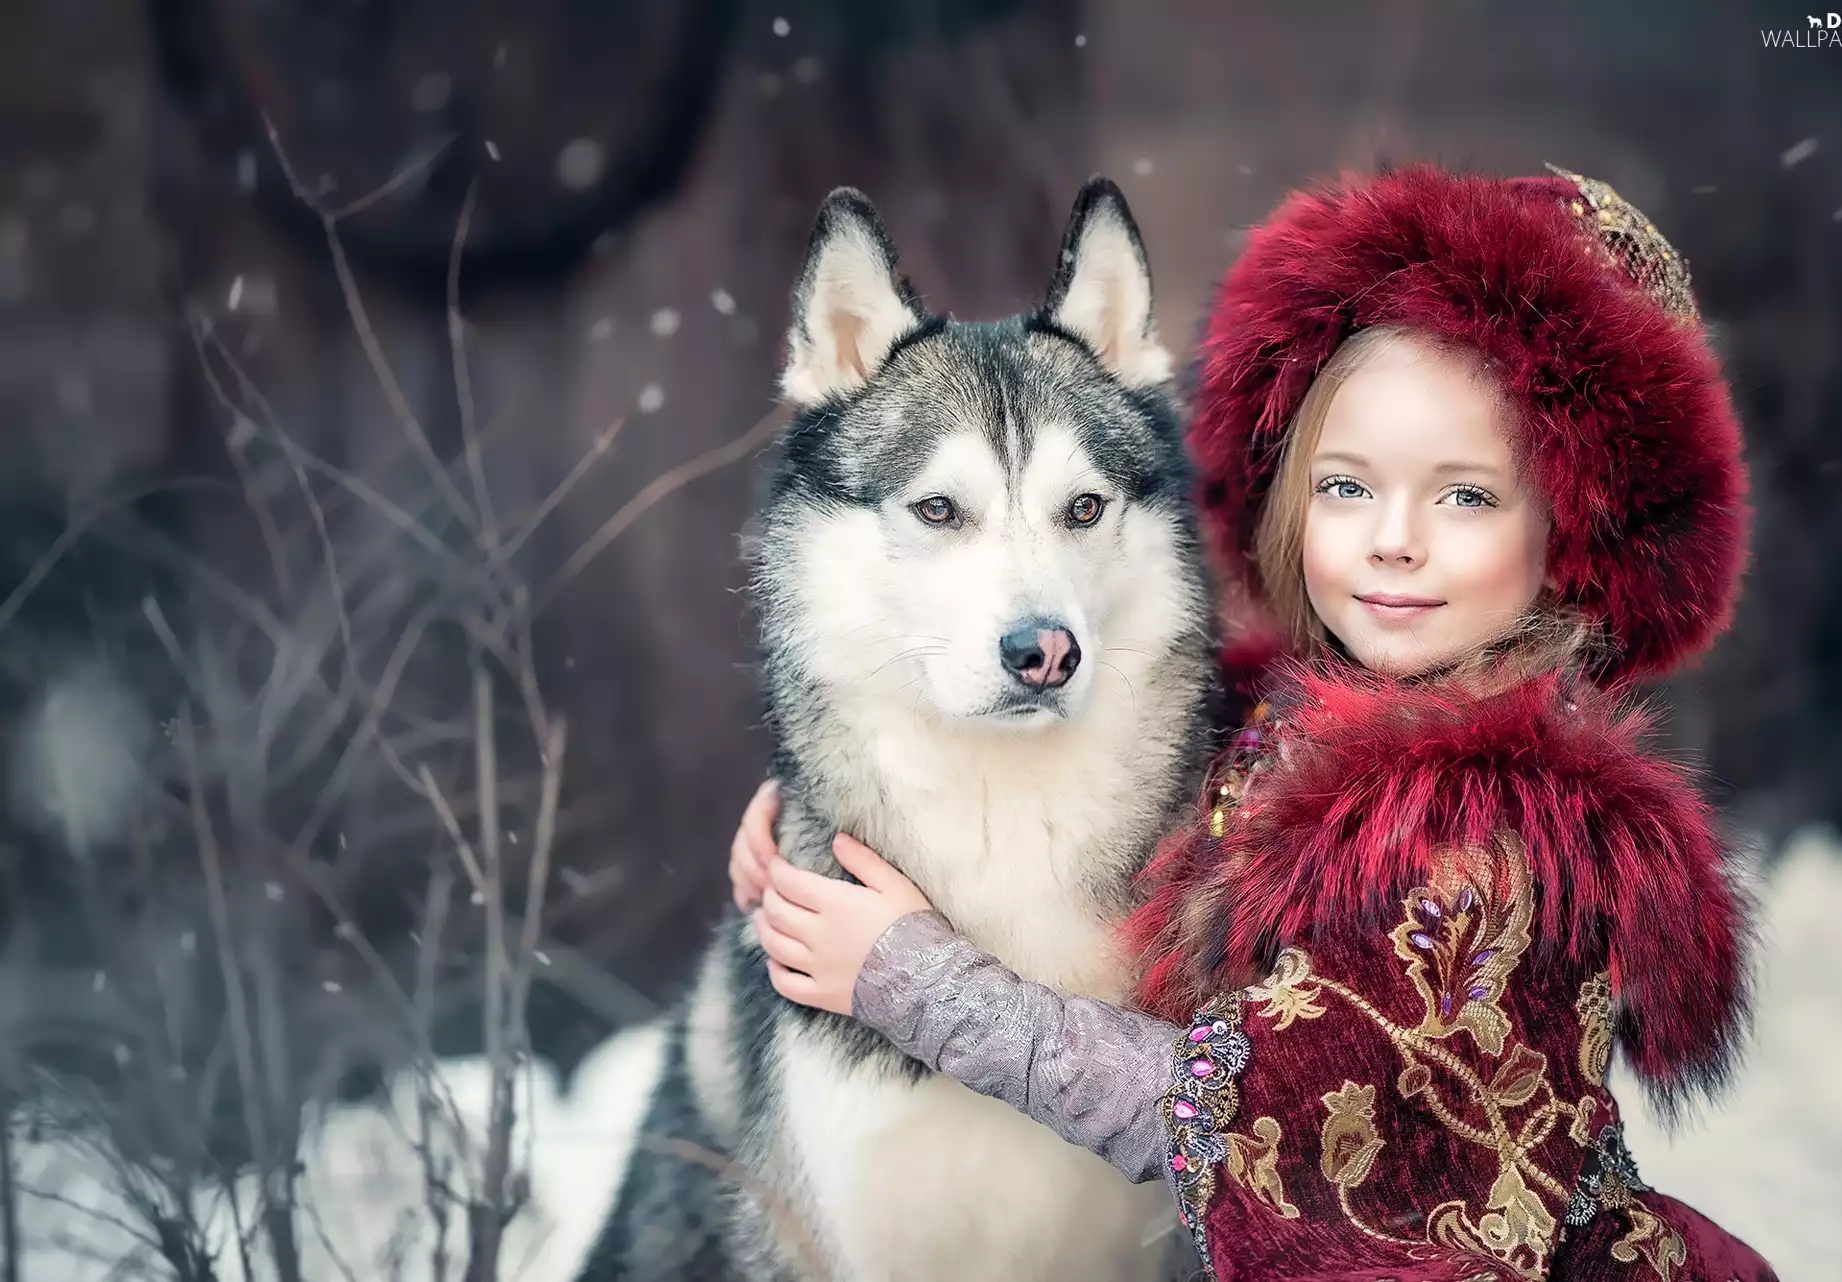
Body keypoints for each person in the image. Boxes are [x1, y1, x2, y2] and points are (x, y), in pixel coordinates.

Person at [730, 164, 1776, 1282]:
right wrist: (832, 793)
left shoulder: (1491, 845)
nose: (1395, 539)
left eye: (1466, 495)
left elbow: (1248, 1133)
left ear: (1571, 534)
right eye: (1347, 486)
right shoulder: (1296, 728)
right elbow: (1142, 739)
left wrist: (918, 983)